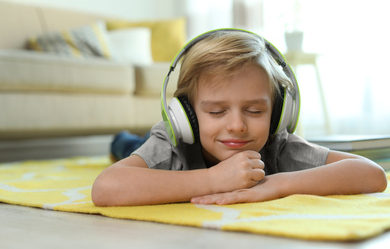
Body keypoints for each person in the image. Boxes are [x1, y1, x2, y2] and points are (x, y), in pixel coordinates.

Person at [92, 29, 387, 207]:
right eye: (217, 111)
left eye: (255, 111)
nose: (237, 125)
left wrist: (277, 184)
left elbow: (371, 174)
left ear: (279, 114)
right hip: (147, 144)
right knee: (128, 146)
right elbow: (106, 187)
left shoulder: (276, 143)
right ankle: (121, 139)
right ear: (186, 116)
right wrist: (212, 179)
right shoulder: (171, 141)